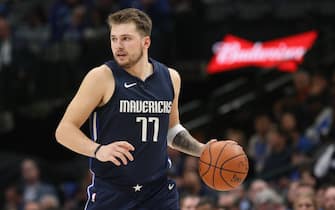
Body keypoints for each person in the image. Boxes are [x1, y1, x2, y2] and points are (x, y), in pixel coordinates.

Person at [55, 8, 218, 210]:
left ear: (146, 42)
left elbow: (171, 130)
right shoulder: (102, 77)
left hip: (158, 194)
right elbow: (64, 130)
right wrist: (98, 150)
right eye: (114, 39)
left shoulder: (171, 78)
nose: (118, 46)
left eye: (126, 38)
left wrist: (200, 149)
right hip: (113, 193)